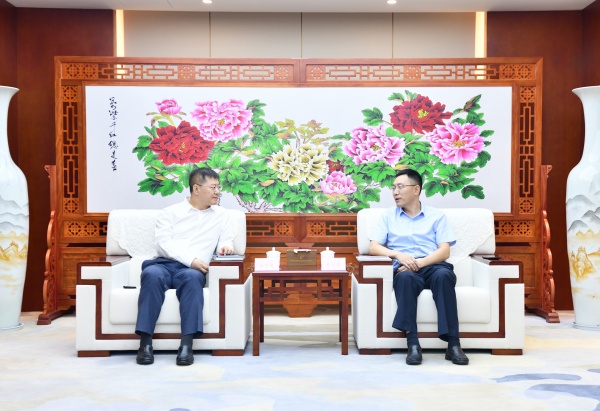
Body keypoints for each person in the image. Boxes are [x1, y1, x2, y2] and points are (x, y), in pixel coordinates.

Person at [135, 167, 235, 366]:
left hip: (192, 271)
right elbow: (163, 244)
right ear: (196, 189)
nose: (218, 192)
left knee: (192, 279)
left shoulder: (222, 215)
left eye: (218, 187)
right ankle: (145, 343)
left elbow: (227, 239)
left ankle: (187, 345)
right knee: (151, 275)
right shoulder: (170, 213)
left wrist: (226, 247)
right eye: (213, 187)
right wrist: (191, 260)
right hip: (164, 264)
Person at [368, 169, 469, 366]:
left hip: (432, 265)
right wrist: (398, 255)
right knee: (405, 278)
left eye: (400, 187)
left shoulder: (436, 216)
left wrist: (420, 263)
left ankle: (453, 345)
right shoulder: (388, 216)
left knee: (444, 276)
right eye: (393, 188)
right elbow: (373, 247)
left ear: (416, 189)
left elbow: (444, 251)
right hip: (404, 267)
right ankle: (413, 343)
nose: (395, 192)